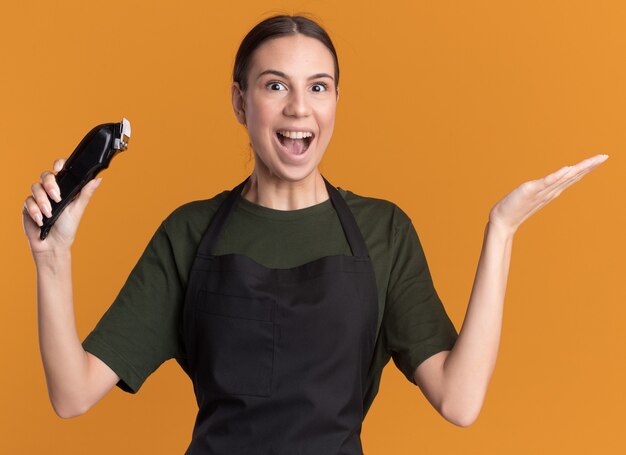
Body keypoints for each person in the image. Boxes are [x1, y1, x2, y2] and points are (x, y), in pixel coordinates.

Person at [22, 14, 607, 455]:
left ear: (335, 101)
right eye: (275, 86)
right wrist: (53, 259)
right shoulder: (189, 233)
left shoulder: (384, 231)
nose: (299, 108)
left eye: (319, 87)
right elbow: (72, 396)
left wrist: (500, 232)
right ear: (239, 101)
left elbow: (459, 400)